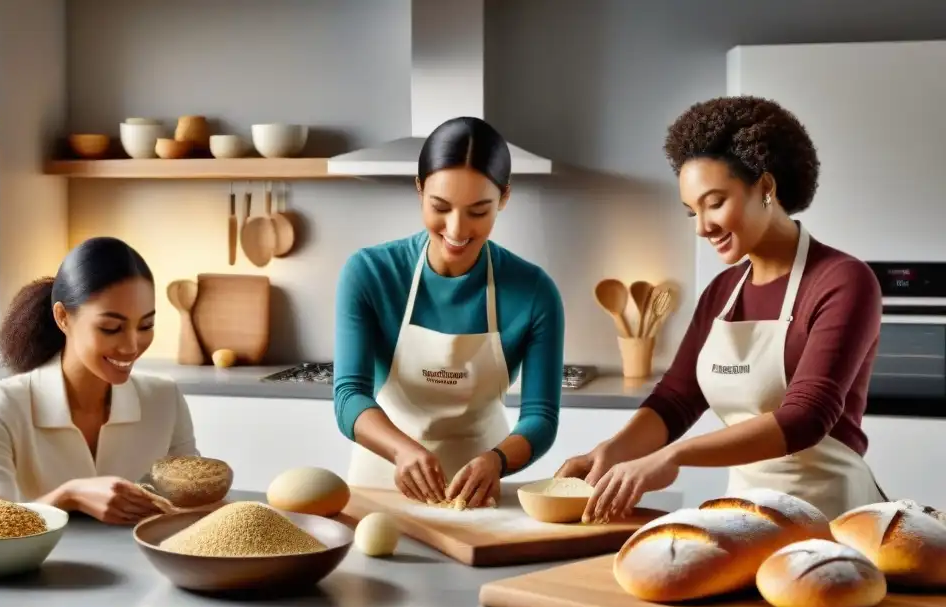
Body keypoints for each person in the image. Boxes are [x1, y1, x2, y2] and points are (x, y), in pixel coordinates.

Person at [557, 95, 885, 523]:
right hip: (747, 515)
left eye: (714, 203)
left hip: (833, 516)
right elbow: (676, 399)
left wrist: (677, 456)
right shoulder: (723, 291)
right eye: (691, 211)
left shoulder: (842, 279)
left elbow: (807, 417)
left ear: (766, 188)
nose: (701, 226)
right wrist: (610, 452)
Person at [334, 116, 565, 507]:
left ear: (504, 198)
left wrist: (498, 460)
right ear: (419, 189)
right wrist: (402, 451)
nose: (457, 230)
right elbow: (348, 397)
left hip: (480, 489)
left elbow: (541, 416)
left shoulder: (534, 292)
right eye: (440, 207)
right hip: (382, 478)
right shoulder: (370, 273)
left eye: (479, 211)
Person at [0, 236, 198, 524]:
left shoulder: (163, 397)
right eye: (111, 328)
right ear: (63, 317)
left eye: (146, 325)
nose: (131, 346)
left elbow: (195, 502)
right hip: (37, 567)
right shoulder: (2, 403)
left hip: (147, 566)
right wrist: (68, 496)